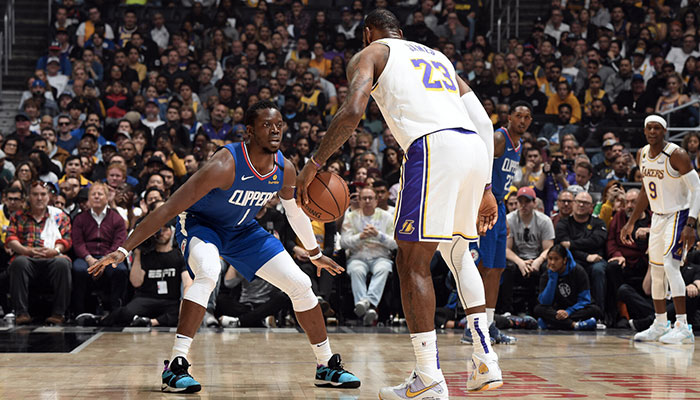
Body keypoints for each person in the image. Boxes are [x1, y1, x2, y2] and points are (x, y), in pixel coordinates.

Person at [296, 10, 502, 398]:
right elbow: (484, 120)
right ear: (402, 33)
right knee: (459, 253)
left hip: (433, 147)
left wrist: (314, 163)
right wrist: (488, 185)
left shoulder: (371, 53)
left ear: (367, 33)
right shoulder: (438, 57)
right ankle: (485, 358)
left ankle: (428, 376)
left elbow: (354, 110)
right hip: (474, 149)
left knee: (410, 262)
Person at [88, 101, 361, 393]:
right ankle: (176, 365)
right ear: (250, 131)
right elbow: (168, 209)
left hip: (244, 231)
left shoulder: (285, 168)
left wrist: (315, 254)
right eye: (267, 125)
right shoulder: (224, 164)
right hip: (201, 225)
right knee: (207, 271)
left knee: (301, 283)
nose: (275, 130)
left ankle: (326, 365)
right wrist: (125, 249)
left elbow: (293, 212)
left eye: (279, 124)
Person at [621, 115, 700, 344]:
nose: (653, 132)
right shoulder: (642, 154)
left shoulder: (677, 154)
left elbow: (697, 189)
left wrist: (691, 224)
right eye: (649, 128)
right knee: (656, 270)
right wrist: (631, 222)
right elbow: (646, 190)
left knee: (670, 265)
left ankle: (683, 326)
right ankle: (659, 323)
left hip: (679, 214)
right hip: (657, 216)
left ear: (664, 131)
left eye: (657, 128)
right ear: (644, 131)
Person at [464, 100, 533, 346]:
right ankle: (472, 327)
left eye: (527, 117)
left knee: (496, 269)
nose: (523, 121)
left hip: (502, 206)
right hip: (485, 205)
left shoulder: (519, 144)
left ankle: (488, 324)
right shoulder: (499, 138)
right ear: (509, 118)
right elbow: (476, 162)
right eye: (519, 115)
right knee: (482, 267)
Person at [6, 181, 72, 325]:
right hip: (27, 257)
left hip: (52, 257)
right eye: (35, 194)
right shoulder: (18, 215)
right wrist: (26, 250)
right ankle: (21, 313)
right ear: (29, 196)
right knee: (19, 262)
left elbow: (66, 239)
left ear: (49, 197)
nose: (39, 198)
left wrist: (55, 251)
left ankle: (59, 313)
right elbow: (10, 238)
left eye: (43, 194)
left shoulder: (59, 215)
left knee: (63, 263)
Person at [340, 187, 396, 325]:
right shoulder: (351, 217)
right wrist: (361, 236)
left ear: (376, 201)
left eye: (370, 198)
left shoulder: (387, 217)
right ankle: (369, 307)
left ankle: (366, 303)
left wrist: (378, 235)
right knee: (356, 270)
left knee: (383, 269)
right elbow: (343, 242)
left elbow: (395, 244)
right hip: (358, 256)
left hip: (381, 256)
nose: (367, 201)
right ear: (358, 201)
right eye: (364, 198)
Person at [534, 244, 602, 330]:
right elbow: (545, 302)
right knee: (538, 309)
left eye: (556, 259)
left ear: (564, 260)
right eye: (550, 259)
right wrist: (552, 278)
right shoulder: (547, 274)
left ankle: (552, 324)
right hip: (556, 310)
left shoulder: (578, 271)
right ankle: (575, 325)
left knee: (595, 310)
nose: (552, 263)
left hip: (574, 308)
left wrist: (568, 311)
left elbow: (585, 299)